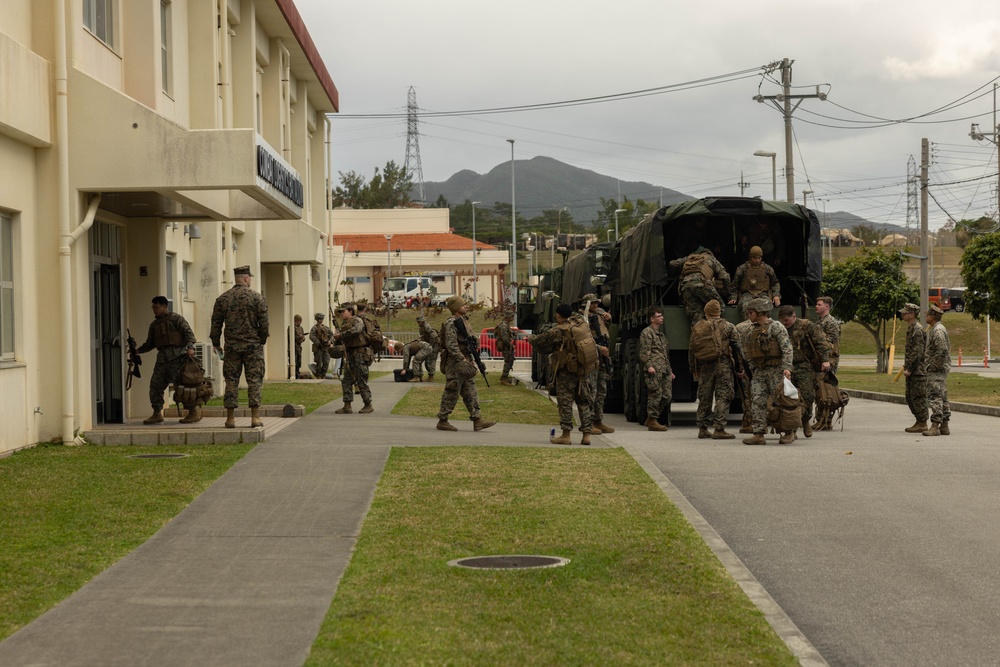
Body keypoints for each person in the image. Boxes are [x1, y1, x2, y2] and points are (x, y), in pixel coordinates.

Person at [210, 265, 269, 428]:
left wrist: (216, 343)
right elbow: (264, 324)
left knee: (231, 380)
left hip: (232, 347)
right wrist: (261, 340)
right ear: (246, 278)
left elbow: (216, 324)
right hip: (253, 346)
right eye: (249, 278)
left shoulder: (223, 298)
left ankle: (230, 418)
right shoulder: (256, 298)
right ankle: (255, 417)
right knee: (255, 380)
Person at [529, 303, 594, 444]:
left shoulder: (558, 331)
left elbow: (539, 340)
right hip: (582, 370)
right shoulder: (581, 326)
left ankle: (566, 435)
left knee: (565, 402)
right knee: (583, 402)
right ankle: (586, 435)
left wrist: (528, 338)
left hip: (566, 371)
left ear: (558, 315)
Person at [436, 296, 496, 432]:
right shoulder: (451, 323)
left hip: (465, 361)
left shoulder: (463, 321)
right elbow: (451, 345)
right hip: (455, 364)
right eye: (463, 305)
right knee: (452, 391)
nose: (466, 306)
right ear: (456, 308)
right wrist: (460, 359)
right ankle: (443, 420)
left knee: (470, 391)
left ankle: (477, 419)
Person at [136, 295, 197, 424]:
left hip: (178, 357)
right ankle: (157, 413)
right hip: (162, 359)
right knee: (155, 386)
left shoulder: (176, 319)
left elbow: (189, 334)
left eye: (157, 307)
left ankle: (193, 413)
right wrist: (137, 351)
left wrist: (190, 347)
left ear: (164, 306)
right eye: (153, 307)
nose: (154, 310)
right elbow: (150, 343)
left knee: (182, 387)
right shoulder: (154, 325)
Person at [741, 298, 794, 446]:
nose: (748, 315)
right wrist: (752, 368)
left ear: (759, 312)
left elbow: (787, 348)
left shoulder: (776, 327)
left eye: (751, 312)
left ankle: (788, 432)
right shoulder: (751, 330)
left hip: (776, 370)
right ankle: (758, 433)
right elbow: (747, 352)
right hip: (759, 371)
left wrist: (787, 368)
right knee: (757, 400)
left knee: (781, 401)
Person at [689, 300, 741, 439]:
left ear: (706, 312)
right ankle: (719, 428)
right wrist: (739, 367)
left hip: (705, 366)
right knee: (723, 396)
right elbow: (737, 348)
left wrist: (694, 368)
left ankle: (702, 428)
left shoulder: (698, 326)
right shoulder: (728, 326)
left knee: (704, 397)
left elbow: (692, 349)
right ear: (719, 312)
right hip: (723, 365)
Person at [778, 305, 831, 438]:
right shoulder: (779, 328)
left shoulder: (806, 326)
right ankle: (792, 428)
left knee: (807, 396)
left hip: (804, 366)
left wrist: (825, 360)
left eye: (787, 320)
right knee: (788, 398)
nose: (785, 323)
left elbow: (821, 342)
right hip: (785, 366)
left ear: (794, 316)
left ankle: (805, 419)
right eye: (783, 320)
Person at [668, 248, 731, 323]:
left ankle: (698, 333)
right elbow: (725, 276)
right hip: (702, 284)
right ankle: (717, 329)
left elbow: (672, 263)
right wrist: (729, 293)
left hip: (685, 286)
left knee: (696, 315)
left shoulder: (690, 258)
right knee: (718, 306)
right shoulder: (711, 259)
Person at [332, 303, 373, 414]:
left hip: (360, 353)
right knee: (346, 380)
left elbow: (357, 330)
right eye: (340, 312)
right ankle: (347, 405)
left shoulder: (357, 320)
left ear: (350, 311)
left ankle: (368, 404)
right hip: (350, 355)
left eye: (343, 311)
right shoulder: (345, 324)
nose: (341, 314)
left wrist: (341, 335)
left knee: (361, 379)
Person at [638, 306, 674, 431]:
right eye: (659, 316)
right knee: (655, 394)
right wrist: (649, 366)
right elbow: (644, 352)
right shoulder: (647, 333)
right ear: (652, 319)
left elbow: (664, 354)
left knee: (667, 396)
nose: (662, 317)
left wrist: (670, 371)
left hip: (663, 369)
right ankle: (653, 420)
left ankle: (651, 418)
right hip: (654, 370)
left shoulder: (661, 335)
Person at [899, 303, 929, 433]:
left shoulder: (917, 329)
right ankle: (919, 421)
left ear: (911, 315)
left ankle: (922, 422)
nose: (902, 314)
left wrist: (909, 368)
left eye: (905, 312)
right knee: (910, 397)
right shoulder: (911, 328)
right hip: (913, 370)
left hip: (918, 371)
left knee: (918, 397)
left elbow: (917, 352)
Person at [922, 303, 951, 437]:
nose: (925, 316)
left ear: (932, 316)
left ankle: (935, 425)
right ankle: (944, 425)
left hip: (936, 370)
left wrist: (933, 366)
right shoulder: (936, 328)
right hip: (939, 369)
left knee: (935, 396)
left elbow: (941, 351)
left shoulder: (938, 330)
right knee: (942, 396)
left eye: (927, 314)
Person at [729, 246, 780, 317]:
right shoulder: (742, 269)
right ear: (750, 257)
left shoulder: (767, 269)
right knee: (745, 306)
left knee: (767, 305)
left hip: (763, 294)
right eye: (755, 258)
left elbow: (775, 283)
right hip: (747, 294)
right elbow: (734, 285)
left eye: (759, 258)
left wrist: (776, 295)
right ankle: (749, 324)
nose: (757, 260)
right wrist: (733, 297)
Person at [588, 294, 615, 434]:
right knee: (591, 391)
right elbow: (584, 339)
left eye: (597, 303)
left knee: (601, 390)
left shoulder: (599, 315)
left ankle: (598, 420)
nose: (595, 305)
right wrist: (599, 348)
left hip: (603, 358)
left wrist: (608, 319)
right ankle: (588, 423)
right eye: (592, 303)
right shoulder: (581, 318)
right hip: (592, 357)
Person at [814, 296, 841, 373]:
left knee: (827, 384)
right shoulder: (819, 321)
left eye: (819, 305)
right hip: (819, 358)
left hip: (829, 360)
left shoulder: (831, 322)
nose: (816, 306)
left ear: (826, 307)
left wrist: (826, 360)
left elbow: (828, 343)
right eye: (816, 304)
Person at [494, 311, 516, 385]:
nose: (513, 318)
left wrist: (512, 333)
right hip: (505, 346)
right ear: (508, 317)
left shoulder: (505, 324)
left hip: (506, 345)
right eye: (512, 316)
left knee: (509, 361)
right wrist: (510, 345)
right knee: (508, 361)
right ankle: (504, 378)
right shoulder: (503, 325)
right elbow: (504, 338)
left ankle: (505, 377)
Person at [309, 313, 333, 380]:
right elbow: (311, 336)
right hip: (319, 348)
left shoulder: (326, 328)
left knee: (326, 362)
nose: (321, 320)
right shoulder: (314, 328)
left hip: (326, 347)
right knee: (319, 362)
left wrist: (330, 341)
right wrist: (318, 343)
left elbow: (332, 335)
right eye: (319, 319)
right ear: (317, 319)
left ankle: (323, 374)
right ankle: (318, 375)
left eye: (322, 319)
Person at [417, 315, 440, 381]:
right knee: (427, 361)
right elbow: (422, 336)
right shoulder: (421, 328)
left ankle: (431, 376)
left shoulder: (427, 326)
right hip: (428, 346)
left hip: (434, 346)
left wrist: (430, 345)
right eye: (418, 322)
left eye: (420, 321)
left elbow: (434, 336)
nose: (419, 323)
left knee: (430, 361)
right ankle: (430, 375)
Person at [288, 314, 306, 379]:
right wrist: (299, 337)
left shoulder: (301, 328)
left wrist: (302, 337)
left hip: (299, 347)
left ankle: (297, 373)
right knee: (293, 361)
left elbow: (303, 338)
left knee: (299, 361)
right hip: (293, 347)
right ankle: (292, 374)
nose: (300, 323)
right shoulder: (291, 328)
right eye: (299, 321)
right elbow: (291, 337)